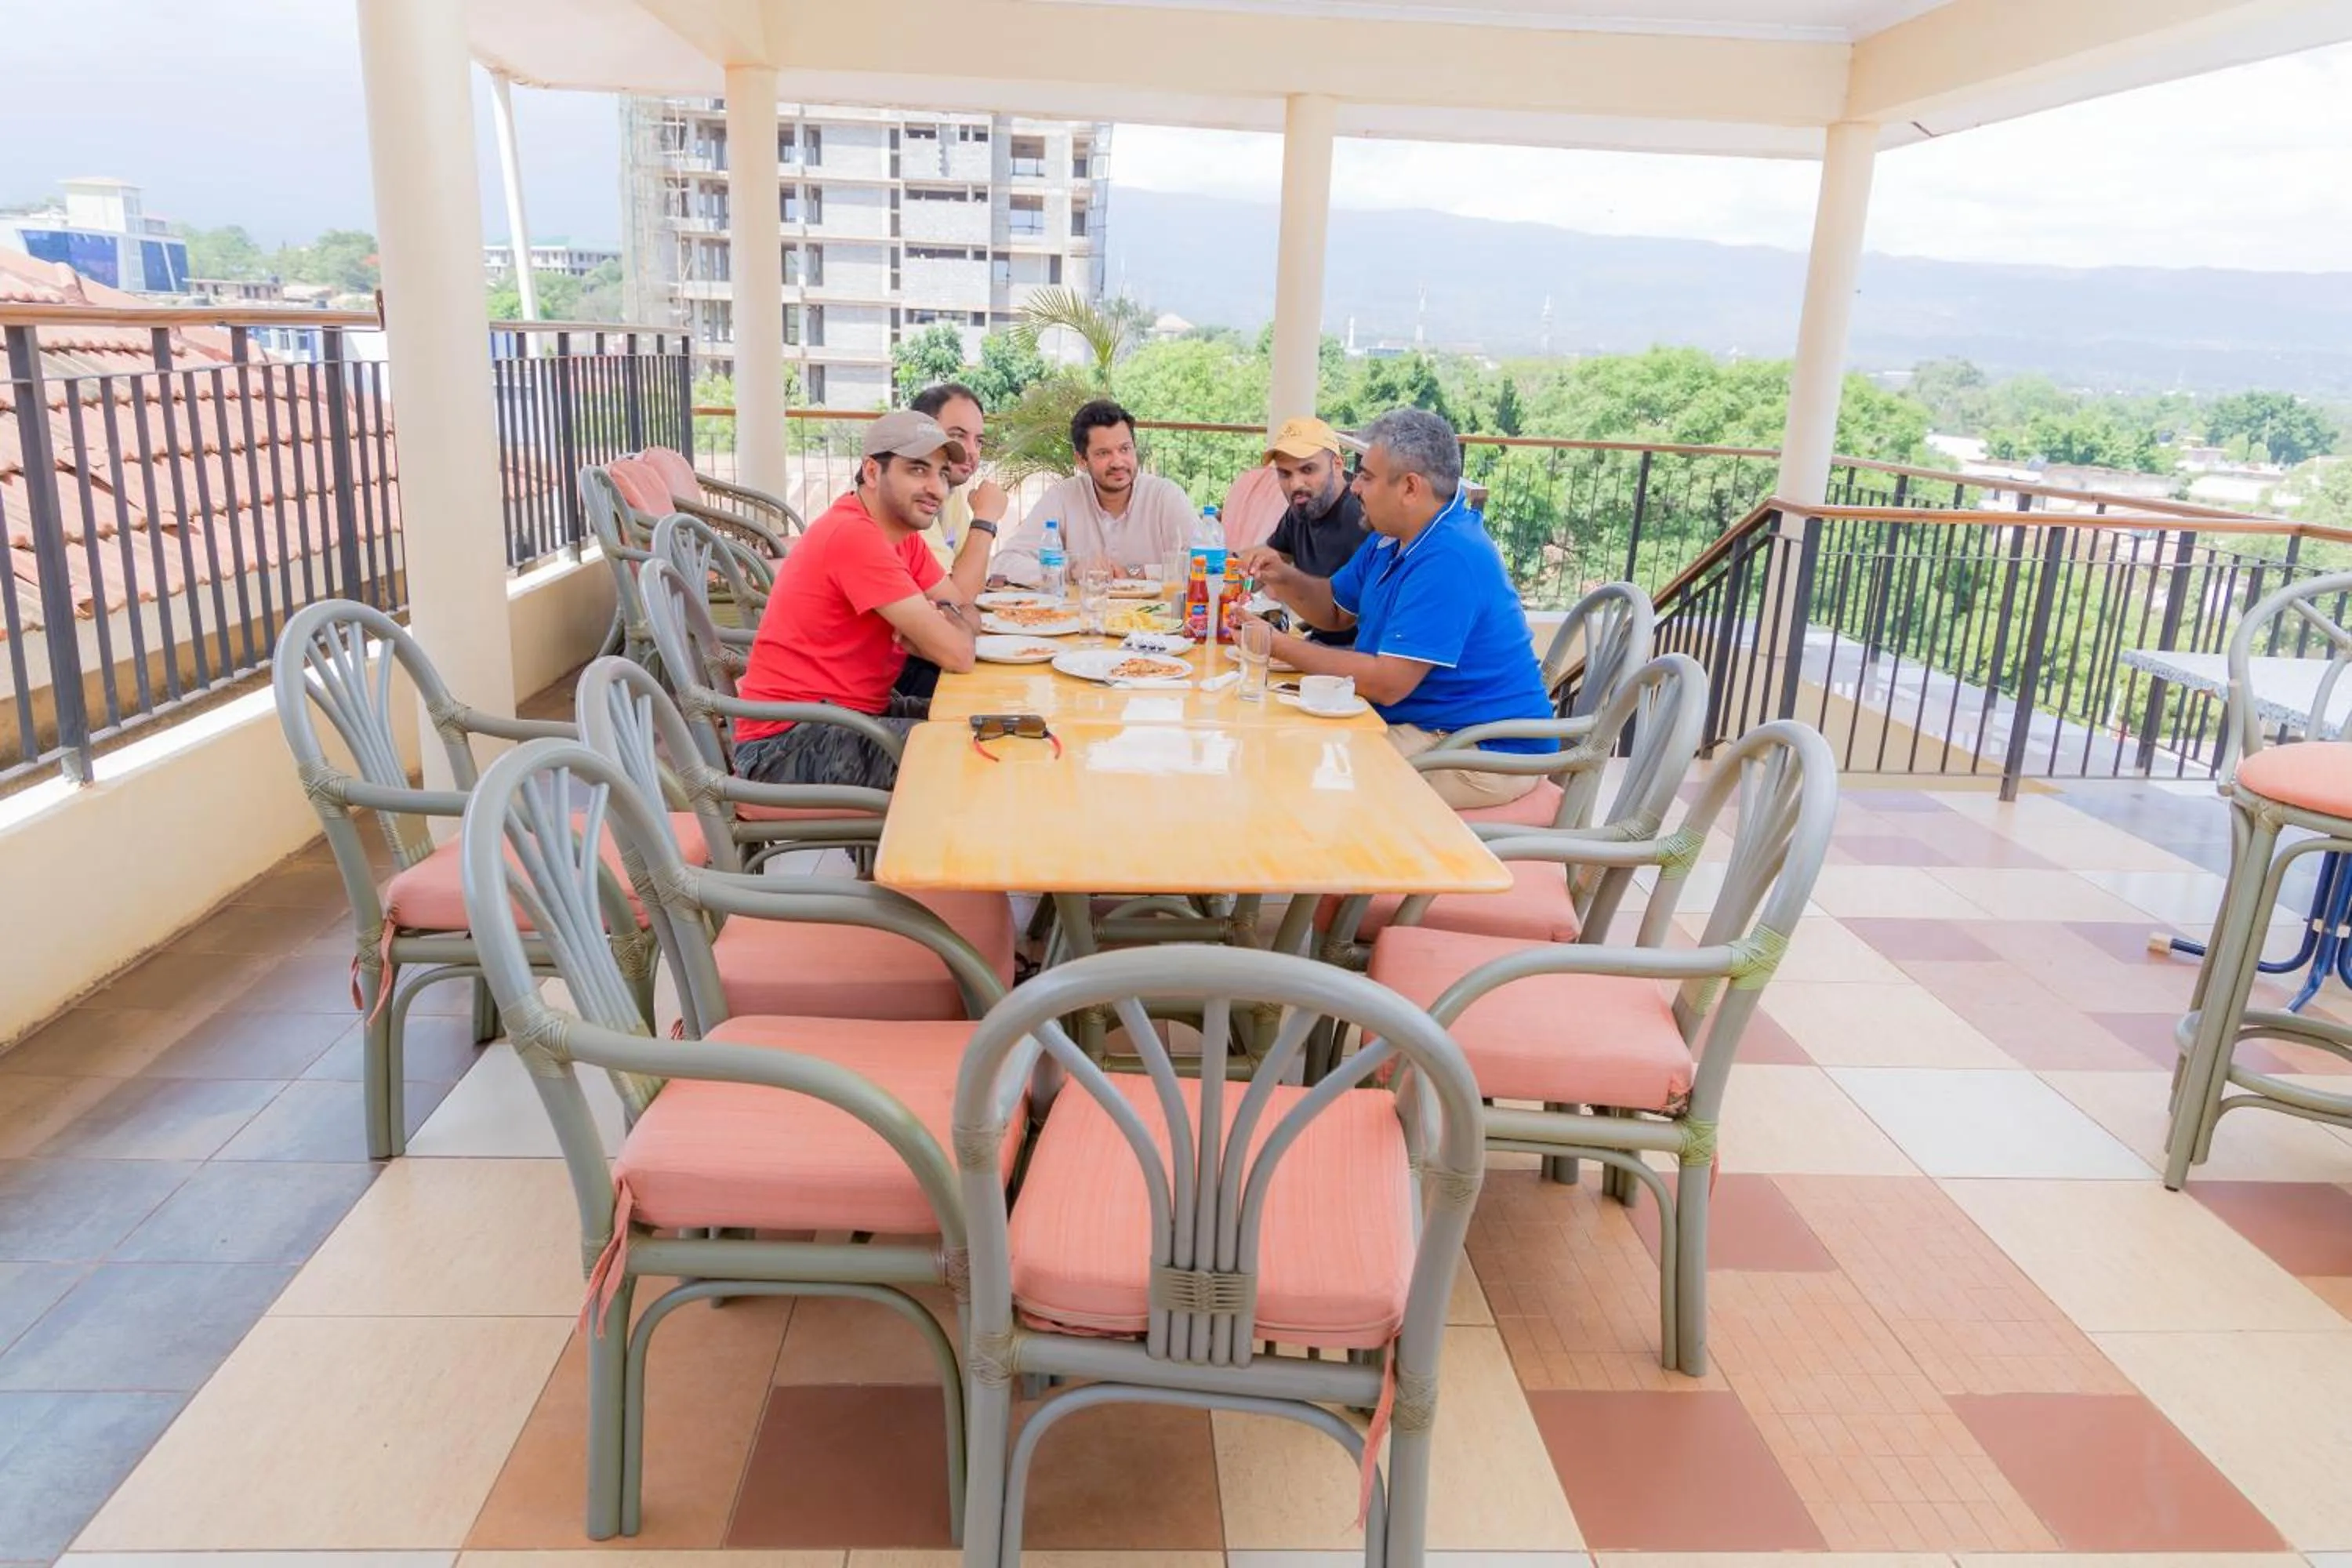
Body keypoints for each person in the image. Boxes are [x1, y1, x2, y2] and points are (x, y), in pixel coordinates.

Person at [1246, 406, 1555, 811]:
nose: (1355, 488)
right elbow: (1336, 611)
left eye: (1368, 478)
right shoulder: (1389, 538)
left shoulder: (1450, 556)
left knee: (1318, 782)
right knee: (1284, 741)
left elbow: (1387, 683)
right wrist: (1284, 578)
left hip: (1483, 749)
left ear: (1410, 488)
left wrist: (1276, 645)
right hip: (1431, 725)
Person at [731, 410, 983, 793]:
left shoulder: (903, 536)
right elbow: (959, 654)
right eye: (918, 470)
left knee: (992, 725)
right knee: (971, 758)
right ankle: (913, 853)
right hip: (785, 743)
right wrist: (941, 633)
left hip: (852, 714)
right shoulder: (853, 535)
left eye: (942, 474)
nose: (936, 488)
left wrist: (943, 628)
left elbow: (965, 610)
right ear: (871, 472)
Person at [990, 399, 1195, 586]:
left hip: (1154, 623)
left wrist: (1138, 572)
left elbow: (1207, 564)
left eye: (1125, 449)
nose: (1118, 462)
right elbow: (1005, 562)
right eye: (1103, 453)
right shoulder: (1063, 496)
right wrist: (1071, 570)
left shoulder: (1165, 496)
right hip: (1080, 622)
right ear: (1081, 460)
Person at [1238, 416, 1370, 647]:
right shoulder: (1300, 511)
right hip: (1315, 644)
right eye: (1285, 474)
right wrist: (1223, 571)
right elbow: (1265, 562)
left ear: (1337, 465)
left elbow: (1345, 616)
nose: (1296, 484)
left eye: (1307, 469)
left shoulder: (1365, 517)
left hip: (1355, 657)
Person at [909, 380, 1008, 572]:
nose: (972, 451)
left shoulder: (950, 493)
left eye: (978, 441)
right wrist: (985, 519)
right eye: (957, 436)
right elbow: (958, 594)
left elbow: (972, 576)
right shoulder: (908, 497)